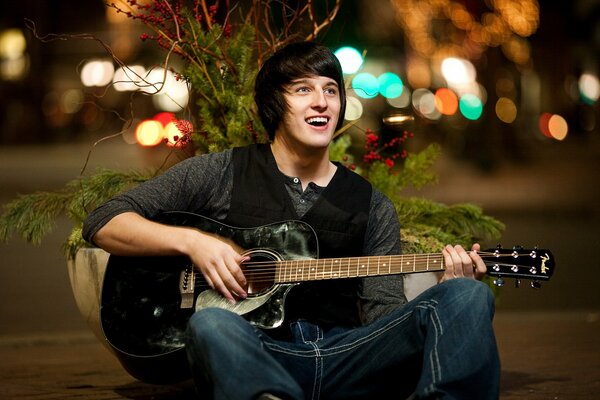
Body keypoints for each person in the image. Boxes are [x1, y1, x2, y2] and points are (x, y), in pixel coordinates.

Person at [83, 41, 500, 400]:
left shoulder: (372, 205)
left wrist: (447, 292)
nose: (322, 102)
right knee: (211, 323)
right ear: (274, 104)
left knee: (469, 296)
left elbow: (382, 316)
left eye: (331, 90)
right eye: (304, 89)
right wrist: (195, 243)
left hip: (347, 356)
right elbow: (105, 221)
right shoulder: (222, 172)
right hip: (260, 352)